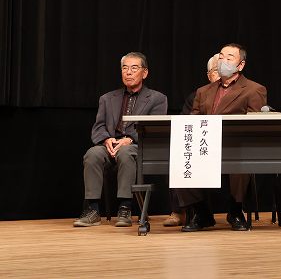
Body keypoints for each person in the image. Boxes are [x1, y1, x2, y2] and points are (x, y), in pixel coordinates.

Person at [178, 43, 267, 232]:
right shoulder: (203, 91)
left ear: (240, 65)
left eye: (229, 58)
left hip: (235, 145)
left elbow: (256, 126)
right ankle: (201, 212)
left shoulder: (254, 89)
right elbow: (193, 120)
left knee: (241, 160)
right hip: (205, 144)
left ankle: (235, 211)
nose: (223, 61)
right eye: (221, 57)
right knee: (182, 157)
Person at [74, 52, 168, 227]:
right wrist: (106, 139)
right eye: (125, 68)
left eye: (134, 68)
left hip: (137, 146)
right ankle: (92, 210)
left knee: (125, 152)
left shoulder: (157, 99)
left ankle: (125, 207)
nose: (128, 72)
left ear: (145, 73)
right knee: (92, 154)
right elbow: (98, 127)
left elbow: (154, 129)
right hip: (110, 144)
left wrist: (130, 139)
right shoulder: (107, 98)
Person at [163, 54, 220, 227]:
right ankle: (194, 211)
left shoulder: (241, 92)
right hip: (202, 146)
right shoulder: (197, 95)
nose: (221, 74)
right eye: (216, 70)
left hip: (230, 147)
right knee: (180, 157)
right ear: (209, 75)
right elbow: (185, 124)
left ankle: (235, 211)